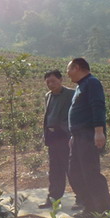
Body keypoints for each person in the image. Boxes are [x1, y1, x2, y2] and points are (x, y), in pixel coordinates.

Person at [66, 57, 110, 218]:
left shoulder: (92, 83)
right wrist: (73, 135)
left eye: (69, 69)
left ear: (77, 68)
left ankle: (105, 213)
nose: (67, 74)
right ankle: (90, 208)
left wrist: (99, 131)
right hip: (78, 137)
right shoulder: (81, 86)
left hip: (88, 135)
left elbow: (97, 106)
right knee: (75, 173)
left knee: (91, 174)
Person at [38, 69, 81, 209]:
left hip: (66, 137)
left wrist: (63, 128)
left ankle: (81, 199)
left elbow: (75, 115)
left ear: (61, 80)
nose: (51, 84)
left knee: (71, 169)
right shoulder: (48, 96)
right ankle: (53, 199)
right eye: (48, 82)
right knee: (55, 170)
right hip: (53, 138)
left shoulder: (71, 94)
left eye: (53, 81)